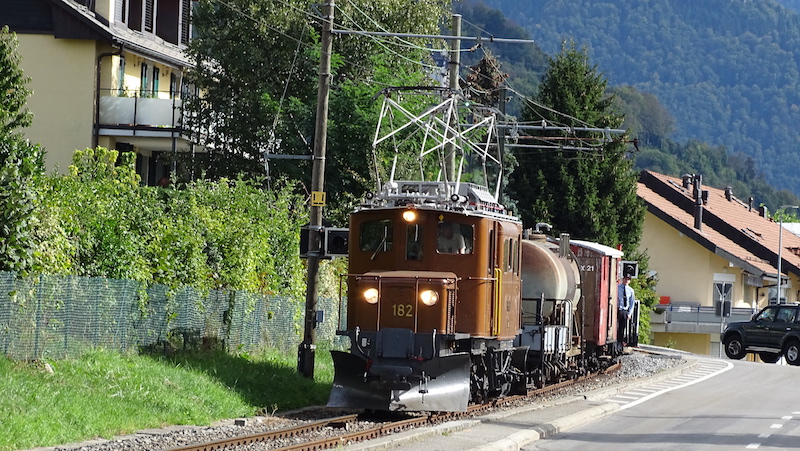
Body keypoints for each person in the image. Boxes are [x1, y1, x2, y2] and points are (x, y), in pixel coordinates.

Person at [618, 276, 636, 347]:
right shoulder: (617, 287)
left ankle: (620, 343)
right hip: (617, 309)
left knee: (622, 328)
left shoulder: (631, 290)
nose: (626, 281)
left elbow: (632, 303)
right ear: (623, 279)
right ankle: (616, 341)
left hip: (624, 310)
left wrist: (629, 313)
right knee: (616, 327)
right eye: (625, 279)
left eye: (628, 279)